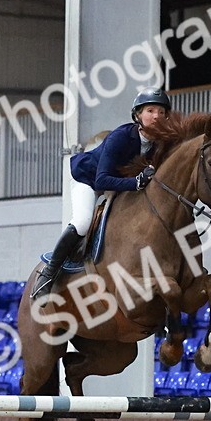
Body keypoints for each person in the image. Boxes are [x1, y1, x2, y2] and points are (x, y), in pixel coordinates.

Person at [30, 86, 172, 299]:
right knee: (83, 221)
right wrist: (135, 183)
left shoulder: (160, 144)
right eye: (151, 111)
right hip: (89, 180)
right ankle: (48, 274)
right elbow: (102, 179)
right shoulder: (121, 137)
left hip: (120, 186)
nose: (157, 117)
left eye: (161, 112)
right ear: (138, 115)